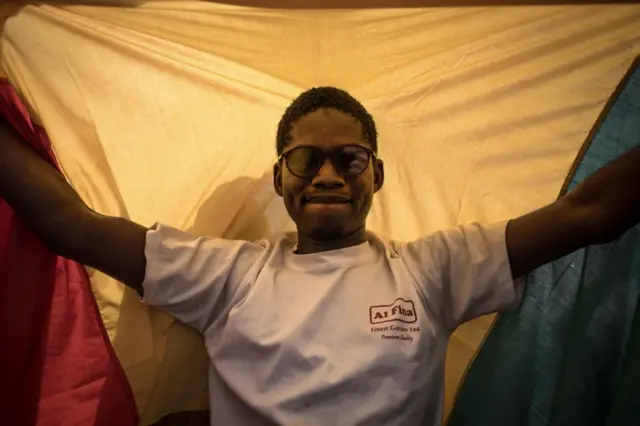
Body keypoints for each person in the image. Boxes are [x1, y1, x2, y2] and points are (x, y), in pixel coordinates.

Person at [0, 86, 638, 425]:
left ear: (376, 175)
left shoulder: (435, 269)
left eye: (350, 159)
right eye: (306, 159)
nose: (328, 173)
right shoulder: (228, 274)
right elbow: (70, 226)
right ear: (280, 178)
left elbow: (589, 215)